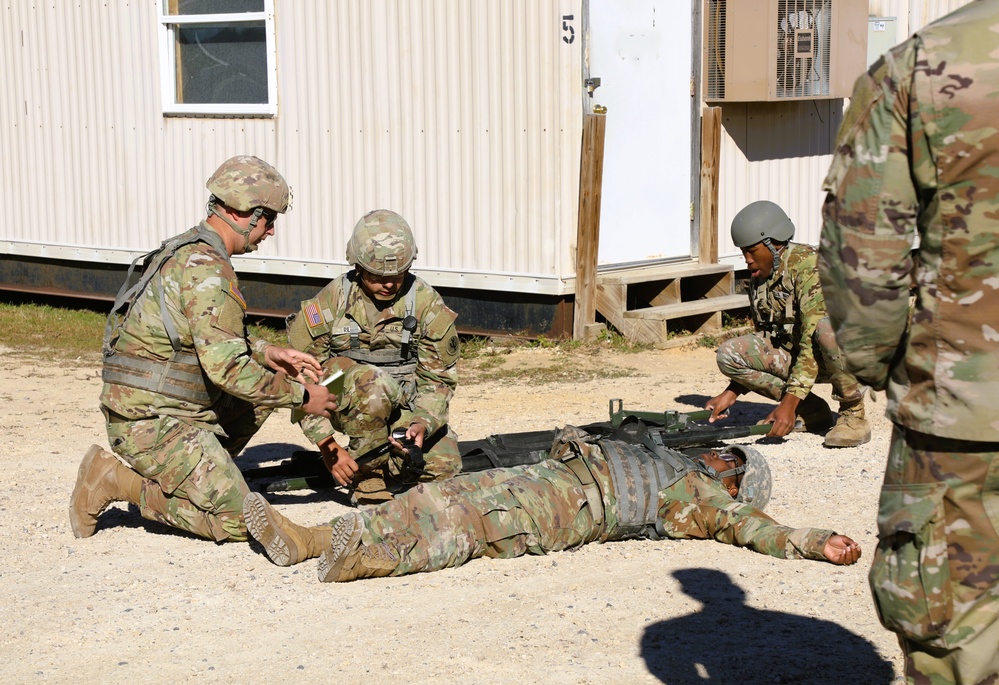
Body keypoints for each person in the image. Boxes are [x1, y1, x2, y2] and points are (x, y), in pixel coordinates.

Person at [818, 3, 999, 683]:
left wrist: (877, 368)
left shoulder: (920, 64)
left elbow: (862, 253)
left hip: (963, 410)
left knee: (957, 633)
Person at [69, 155, 338, 544]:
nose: (272, 232)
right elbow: (227, 370)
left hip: (161, 407)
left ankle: (206, 472)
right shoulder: (207, 267)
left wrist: (267, 354)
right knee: (240, 521)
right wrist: (303, 396)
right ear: (246, 214)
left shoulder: (192, 252)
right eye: (270, 221)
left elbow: (203, 337)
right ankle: (113, 479)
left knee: (270, 384)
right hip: (150, 420)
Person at [240, 425, 861, 580]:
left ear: (735, 484)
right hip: (545, 477)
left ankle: (365, 559)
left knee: (461, 529)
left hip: (564, 512)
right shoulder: (671, 458)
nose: (721, 455)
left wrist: (814, 542)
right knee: (437, 495)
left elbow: (760, 532)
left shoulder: (707, 503)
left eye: (733, 461)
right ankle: (310, 540)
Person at [285, 209, 461, 508]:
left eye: (397, 276)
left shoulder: (426, 303)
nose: (389, 284)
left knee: (445, 466)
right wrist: (327, 445)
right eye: (377, 276)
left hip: (399, 404)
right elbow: (303, 378)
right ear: (357, 266)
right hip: (343, 400)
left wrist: (421, 423)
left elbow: (438, 380)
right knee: (373, 383)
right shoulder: (331, 301)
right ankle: (366, 477)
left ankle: (368, 461)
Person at [704, 200, 870, 447]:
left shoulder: (810, 266)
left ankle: (853, 414)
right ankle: (814, 412)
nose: (747, 260)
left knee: (827, 329)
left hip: (843, 353)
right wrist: (732, 392)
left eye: (751, 251)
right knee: (729, 354)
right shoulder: (762, 274)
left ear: (774, 244)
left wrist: (788, 403)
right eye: (743, 252)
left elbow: (812, 338)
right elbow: (768, 339)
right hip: (805, 355)